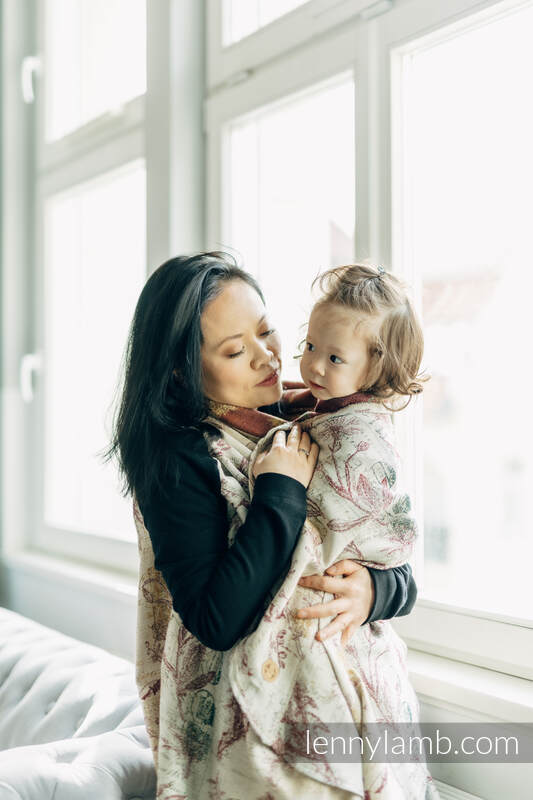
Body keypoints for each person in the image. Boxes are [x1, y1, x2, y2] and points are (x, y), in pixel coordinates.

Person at [105, 252, 422, 798]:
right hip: (256, 735)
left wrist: (375, 590)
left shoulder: (317, 415)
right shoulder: (181, 460)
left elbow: (392, 557)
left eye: (267, 331)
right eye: (235, 350)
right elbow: (215, 617)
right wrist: (281, 490)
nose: (267, 356)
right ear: (183, 369)